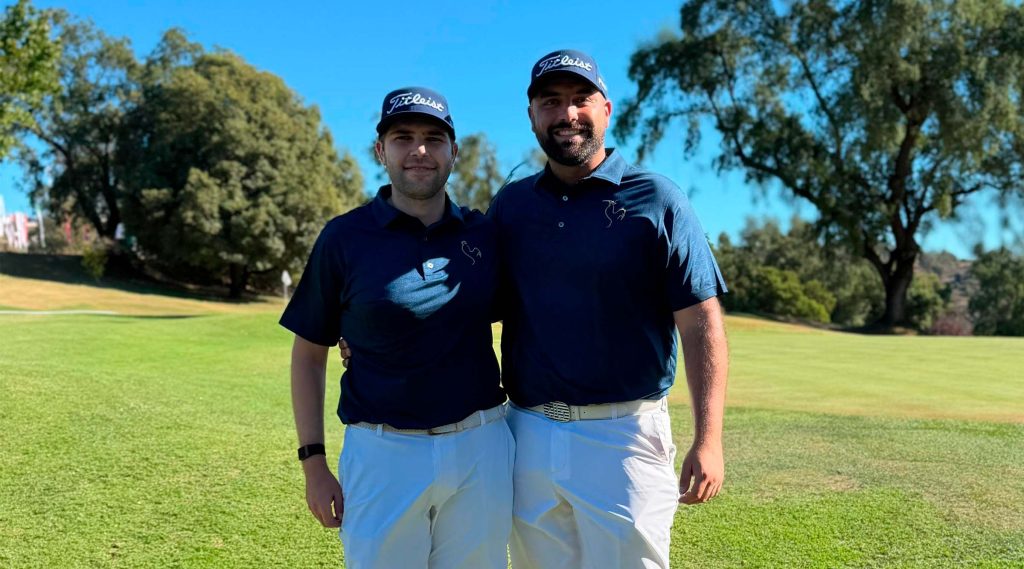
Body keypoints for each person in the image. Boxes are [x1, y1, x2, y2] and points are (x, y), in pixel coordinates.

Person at [487, 49, 729, 568]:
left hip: (624, 437)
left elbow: (700, 323)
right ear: (532, 116)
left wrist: (708, 440)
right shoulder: (512, 206)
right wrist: (367, 333)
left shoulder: (658, 199)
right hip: (527, 432)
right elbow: (470, 301)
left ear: (606, 110)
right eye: (551, 102)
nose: (567, 113)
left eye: (581, 99)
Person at [281, 86, 513, 569]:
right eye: (403, 137)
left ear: (454, 151)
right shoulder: (344, 237)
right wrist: (313, 461)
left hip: (481, 447)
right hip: (382, 453)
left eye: (434, 138)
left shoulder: (485, 235)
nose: (419, 150)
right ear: (380, 151)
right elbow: (308, 355)